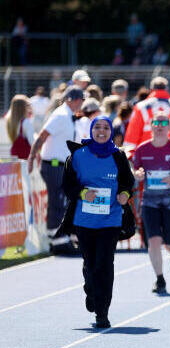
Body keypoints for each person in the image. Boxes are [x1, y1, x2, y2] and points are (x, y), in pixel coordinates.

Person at [60, 116, 135, 328]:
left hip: (110, 220)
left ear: (111, 131)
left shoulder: (118, 155)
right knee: (90, 264)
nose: (101, 131)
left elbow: (128, 183)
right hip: (84, 220)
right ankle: (90, 290)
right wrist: (83, 193)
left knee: (105, 265)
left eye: (106, 128)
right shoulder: (77, 155)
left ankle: (102, 313)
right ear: (91, 130)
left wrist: (124, 194)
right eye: (97, 128)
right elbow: (67, 185)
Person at [132, 110, 170, 294]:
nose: (159, 127)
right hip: (150, 202)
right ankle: (160, 279)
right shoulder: (142, 149)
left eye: (163, 123)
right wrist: (138, 174)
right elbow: (135, 171)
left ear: (169, 128)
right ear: (150, 127)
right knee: (154, 242)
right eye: (156, 124)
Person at [28, 86, 85, 253]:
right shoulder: (60, 115)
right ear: (73, 99)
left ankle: (60, 238)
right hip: (54, 165)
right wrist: (32, 157)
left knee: (62, 202)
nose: (82, 103)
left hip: (61, 165)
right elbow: (43, 136)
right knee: (58, 202)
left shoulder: (67, 115)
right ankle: (58, 240)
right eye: (81, 99)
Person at [123, 77, 170, 155]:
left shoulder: (140, 107)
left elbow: (132, 133)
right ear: (167, 89)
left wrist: (129, 154)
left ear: (151, 89)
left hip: (147, 154)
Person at [5, 95, 35, 160]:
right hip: (25, 157)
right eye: (27, 105)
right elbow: (32, 142)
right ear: (23, 107)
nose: (29, 108)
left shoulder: (9, 121)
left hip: (14, 154)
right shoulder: (26, 122)